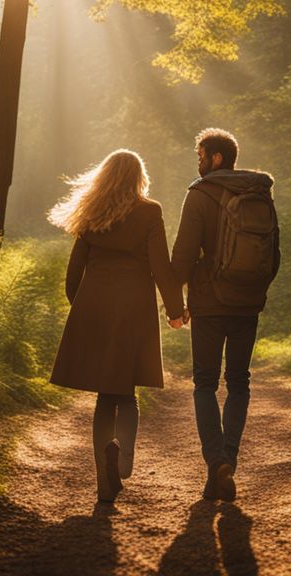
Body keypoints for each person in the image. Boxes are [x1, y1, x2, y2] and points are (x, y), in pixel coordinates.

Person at [47, 149, 188, 504]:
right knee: (124, 393)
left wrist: (83, 309)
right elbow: (160, 266)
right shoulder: (149, 211)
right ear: (138, 177)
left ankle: (102, 481)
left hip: (93, 305)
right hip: (133, 308)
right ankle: (122, 462)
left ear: (105, 176)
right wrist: (176, 310)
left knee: (103, 397)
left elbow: (72, 275)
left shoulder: (90, 214)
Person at [171, 128, 280, 502]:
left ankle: (216, 460)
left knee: (204, 383)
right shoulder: (259, 193)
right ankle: (226, 464)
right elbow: (274, 254)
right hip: (247, 304)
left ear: (216, 158)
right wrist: (254, 291)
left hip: (209, 304)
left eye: (200, 155)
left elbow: (183, 255)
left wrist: (175, 301)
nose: (197, 161)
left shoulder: (200, 195)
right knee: (239, 382)